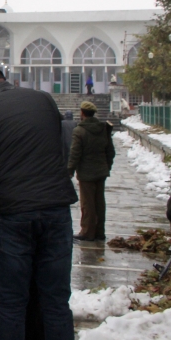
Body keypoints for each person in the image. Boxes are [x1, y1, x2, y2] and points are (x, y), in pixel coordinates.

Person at [0, 64, 78, 340]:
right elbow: (61, 146)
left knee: (12, 302)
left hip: (11, 214)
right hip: (56, 208)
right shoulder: (43, 99)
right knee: (56, 301)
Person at [67, 101, 115, 243]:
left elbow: (75, 153)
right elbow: (110, 151)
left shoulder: (79, 131)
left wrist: (70, 170)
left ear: (82, 113)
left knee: (87, 203)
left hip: (86, 173)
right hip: (101, 171)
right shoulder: (103, 129)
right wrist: (107, 166)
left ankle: (87, 232)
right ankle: (100, 231)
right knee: (100, 202)